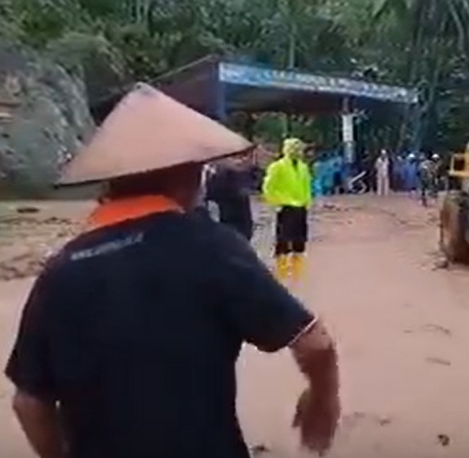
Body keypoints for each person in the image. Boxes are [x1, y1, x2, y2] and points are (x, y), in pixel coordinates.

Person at [5, 83, 340, 458]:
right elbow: (315, 343)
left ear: (112, 182)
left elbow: (28, 403)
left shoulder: (61, 270)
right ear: (188, 176)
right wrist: (322, 398)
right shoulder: (211, 248)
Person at [263, 138, 313, 284]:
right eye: (293, 148)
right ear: (286, 149)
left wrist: (307, 201)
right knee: (284, 239)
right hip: (285, 206)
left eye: (299, 149)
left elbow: (307, 185)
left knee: (300, 239)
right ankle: (282, 271)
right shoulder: (277, 167)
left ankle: (298, 273)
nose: (297, 151)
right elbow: (268, 187)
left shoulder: (303, 167)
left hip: (300, 207)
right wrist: (276, 202)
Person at [206, 152, 256, 241]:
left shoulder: (227, 173)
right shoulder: (230, 172)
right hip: (233, 220)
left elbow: (210, 193)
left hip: (232, 219)